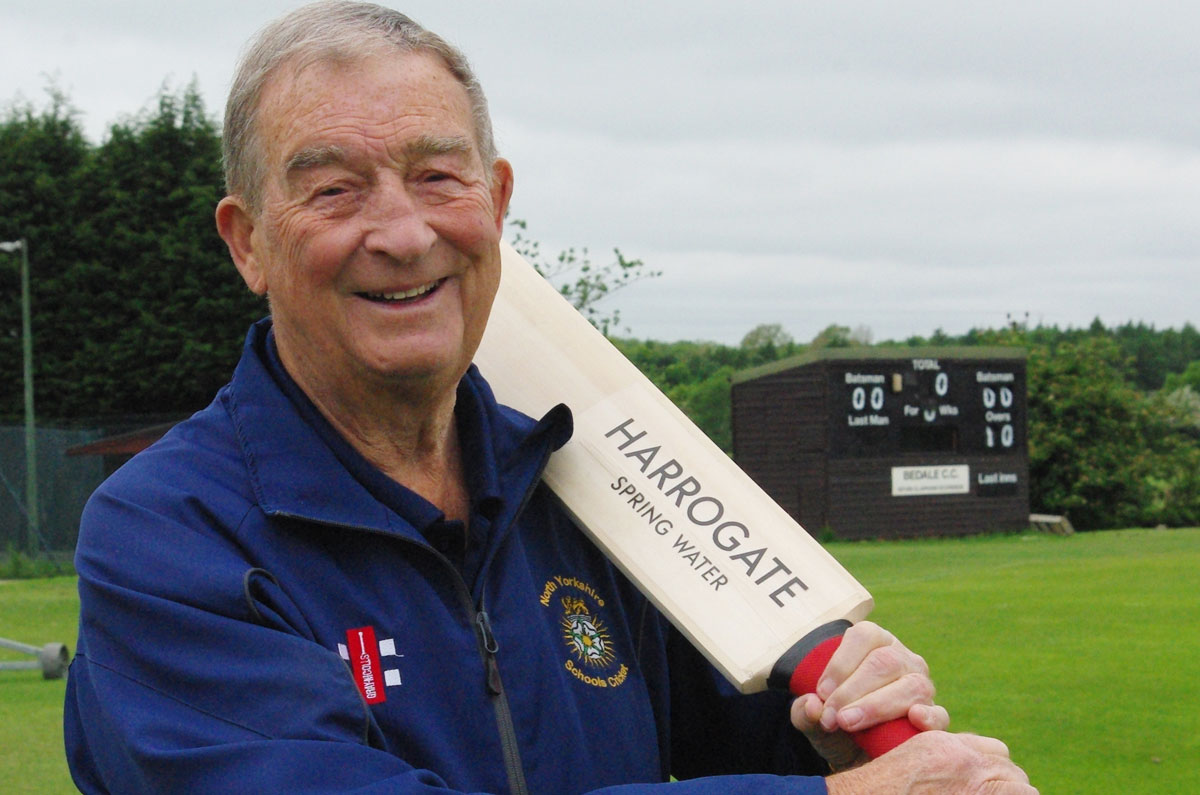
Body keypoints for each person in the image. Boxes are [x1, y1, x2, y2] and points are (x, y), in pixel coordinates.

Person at [63, 3, 1036, 793]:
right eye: (335, 191)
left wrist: (832, 736)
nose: (403, 234)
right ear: (246, 241)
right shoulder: (168, 540)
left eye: (437, 176)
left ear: (496, 203)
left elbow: (733, 747)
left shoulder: (586, 484)